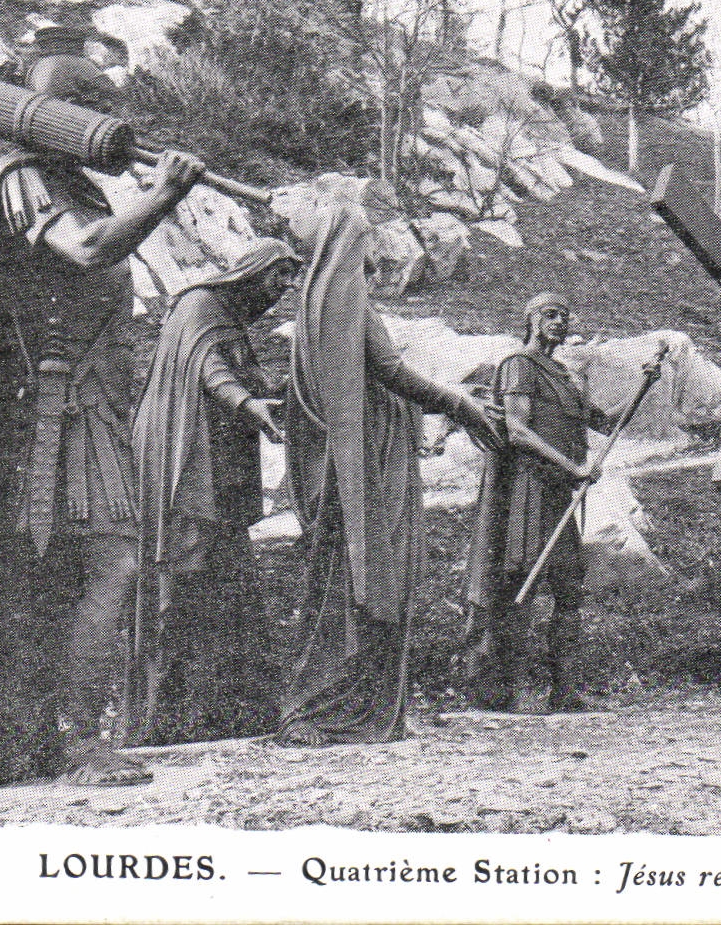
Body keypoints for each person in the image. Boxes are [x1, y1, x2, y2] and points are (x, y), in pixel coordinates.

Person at [0, 27, 206, 787]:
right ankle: (77, 742)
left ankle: (43, 740)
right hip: (59, 410)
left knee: (65, 577)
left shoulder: (71, 182)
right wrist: (164, 194)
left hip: (91, 402)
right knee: (107, 565)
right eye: (76, 102)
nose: (92, 116)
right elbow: (87, 250)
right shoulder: (27, 178)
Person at [272, 189, 501, 746]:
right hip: (369, 466)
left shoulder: (316, 302)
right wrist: (459, 401)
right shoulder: (348, 302)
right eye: (367, 243)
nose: (375, 259)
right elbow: (393, 372)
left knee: (340, 581)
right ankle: (338, 708)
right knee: (366, 578)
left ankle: (346, 704)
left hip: (349, 460)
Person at [130, 240, 302, 745]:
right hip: (186, 467)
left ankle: (233, 714)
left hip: (218, 471)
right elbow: (212, 372)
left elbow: (237, 376)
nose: (284, 289)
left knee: (230, 585)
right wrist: (249, 404)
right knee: (186, 582)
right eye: (279, 277)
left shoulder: (230, 322)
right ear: (251, 271)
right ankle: (172, 721)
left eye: (293, 279)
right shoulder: (199, 304)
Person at [463, 292, 662, 713]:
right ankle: (500, 692)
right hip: (529, 491)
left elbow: (606, 421)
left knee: (570, 590)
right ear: (531, 320)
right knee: (521, 585)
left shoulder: (566, 376)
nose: (559, 322)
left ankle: (564, 691)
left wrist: (643, 386)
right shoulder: (519, 366)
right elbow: (517, 430)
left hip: (561, 495)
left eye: (565, 316)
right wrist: (571, 466)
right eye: (550, 315)